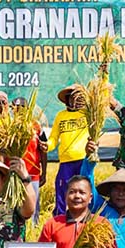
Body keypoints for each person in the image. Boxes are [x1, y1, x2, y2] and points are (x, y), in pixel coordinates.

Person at [48, 84, 89, 216]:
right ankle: (60, 219)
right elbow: (53, 138)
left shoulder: (88, 113)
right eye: (71, 97)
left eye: (78, 97)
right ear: (67, 100)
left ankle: (85, 219)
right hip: (66, 162)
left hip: (84, 160)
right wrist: (46, 146)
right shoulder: (61, 116)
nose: (74, 100)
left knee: (84, 191)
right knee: (62, 192)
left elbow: (103, 95)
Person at [12, 96, 47, 225]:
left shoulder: (36, 127)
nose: (18, 110)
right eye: (15, 107)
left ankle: (32, 233)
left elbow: (44, 150)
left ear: (28, 109)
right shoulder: (10, 127)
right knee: (14, 206)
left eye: (21, 107)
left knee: (32, 205)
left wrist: (44, 172)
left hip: (33, 174)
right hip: (14, 173)